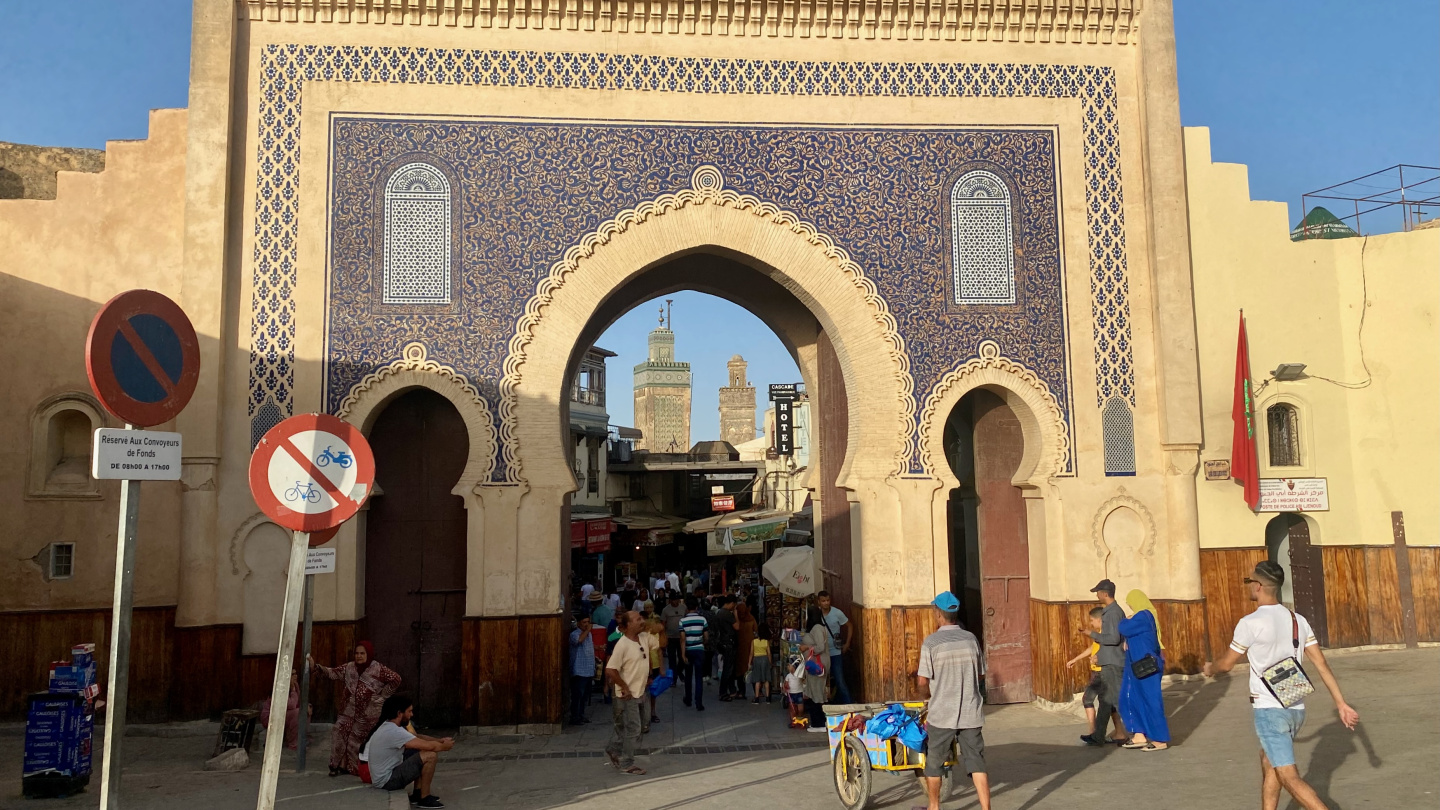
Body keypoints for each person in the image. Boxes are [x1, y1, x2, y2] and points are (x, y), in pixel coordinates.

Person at [1205, 561, 1359, 810]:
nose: (1248, 586)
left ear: (1257, 586)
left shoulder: (1249, 623)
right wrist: (1341, 704)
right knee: (1269, 761)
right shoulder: (1297, 620)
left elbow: (1226, 665)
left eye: (1248, 582)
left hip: (1268, 710)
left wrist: (1210, 669)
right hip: (1295, 708)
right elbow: (1321, 664)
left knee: (1288, 776)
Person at [917, 591, 990, 810]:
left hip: (942, 714)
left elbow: (922, 681)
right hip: (970, 712)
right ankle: (986, 808)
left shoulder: (931, 643)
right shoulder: (970, 639)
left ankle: (934, 806)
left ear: (938, 614)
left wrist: (926, 696)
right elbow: (981, 674)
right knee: (976, 761)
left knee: (934, 762)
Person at [309, 641, 402, 776]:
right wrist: (315, 667)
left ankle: (353, 768)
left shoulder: (378, 669)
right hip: (348, 709)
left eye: (362, 653)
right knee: (338, 731)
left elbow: (396, 679)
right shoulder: (349, 668)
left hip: (368, 713)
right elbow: (332, 673)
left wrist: (382, 696)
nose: (359, 656)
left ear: (368, 654)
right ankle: (336, 766)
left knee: (354, 739)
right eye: (357, 653)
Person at [360, 694, 453, 808]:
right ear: (399, 713)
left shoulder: (389, 726)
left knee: (417, 752)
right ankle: (425, 798)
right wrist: (444, 747)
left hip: (384, 777)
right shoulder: (394, 731)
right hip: (387, 782)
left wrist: (440, 741)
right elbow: (429, 746)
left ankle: (418, 794)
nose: (411, 715)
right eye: (409, 711)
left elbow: (417, 738)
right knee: (430, 755)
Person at [1118, 589, 1170, 750]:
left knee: (1150, 701)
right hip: (1136, 664)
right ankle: (1139, 734)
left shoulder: (1144, 615)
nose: (1131, 607)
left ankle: (1159, 739)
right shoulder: (1142, 616)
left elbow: (1124, 628)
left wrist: (1125, 621)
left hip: (1146, 665)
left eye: (1130, 604)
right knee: (1131, 698)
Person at [1068, 606, 1125, 745]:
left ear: (1100, 620)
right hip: (1100, 671)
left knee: (1093, 700)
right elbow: (1093, 648)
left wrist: (1098, 659)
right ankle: (1116, 733)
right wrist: (1076, 659)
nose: (1091, 624)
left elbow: (1112, 651)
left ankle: (1096, 733)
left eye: (1092, 620)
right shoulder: (1102, 634)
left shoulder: (1108, 634)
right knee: (1108, 704)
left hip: (1103, 672)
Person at [604, 611, 650, 776]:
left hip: (640, 691)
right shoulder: (622, 644)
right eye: (638, 619)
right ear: (628, 624)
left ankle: (614, 748)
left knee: (640, 724)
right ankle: (627, 762)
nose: (642, 621)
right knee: (634, 728)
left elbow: (661, 635)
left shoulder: (643, 637)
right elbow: (610, 669)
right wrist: (623, 686)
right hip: (627, 694)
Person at [1082, 578, 1125, 748]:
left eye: (1098, 592)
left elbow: (1113, 639)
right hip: (1109, 661)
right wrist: (1099, 656)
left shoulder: (1112, 613)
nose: (1097, 595)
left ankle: (1138, 732)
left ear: (1105, 594)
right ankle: (1098, 735)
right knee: (1106, 700)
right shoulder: (1111, 611)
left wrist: (1092, 634)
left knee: (1116, 700)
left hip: (1113, 664)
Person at [816, 591, 854, 704]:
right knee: (822, 681)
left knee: (840, 680)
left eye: (827, 600)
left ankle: (849, 705)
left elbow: (850, 625)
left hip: (835, 652)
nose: (826, 603)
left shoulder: (837, 613)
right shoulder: (816, 614)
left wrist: (847, 643)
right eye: (823, 601)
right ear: (819, 602)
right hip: (822, 653)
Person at [259, 667, 309, 750]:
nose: (295, 676)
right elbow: (292, 704)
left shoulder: (295, 685)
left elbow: (298, 702)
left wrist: (307, 706)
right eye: (293, 674)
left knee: (306, 711)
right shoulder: (280, 687)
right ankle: (293, 744)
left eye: (296, 674)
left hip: (283, 714)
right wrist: (293, 690)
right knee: (297, 713)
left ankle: (301, 738)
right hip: (270, 717)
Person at [798, 606, 831, 731]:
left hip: (817, 665)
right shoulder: (818, 628)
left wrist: (806, 647)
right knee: (816, 691)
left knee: (817, 692)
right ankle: (820, 721)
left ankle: (818, 724)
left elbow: (820, 647)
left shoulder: (817, 628)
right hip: (816, 664)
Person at [679, 596, 709, 710]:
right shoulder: (702, 620)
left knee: (688, 676)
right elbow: (706, 637)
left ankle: (688, 699)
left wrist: (682, 654)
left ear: (687, 607)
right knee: (698, 677)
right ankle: (699, 703)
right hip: (699, 650)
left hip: (688, 651)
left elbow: (682, 639)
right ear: (697, 607)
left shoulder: (682, 621)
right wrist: (703, 643)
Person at [569, 616, 596, 725]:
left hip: (588, 669)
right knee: (577, 695)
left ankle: (581, 715)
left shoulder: (588, 635)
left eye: (588, 622)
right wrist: (588, 630)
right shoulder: (575, 634)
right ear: (579, 623)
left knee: (585, 695)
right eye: (584, 622)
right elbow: (579, 641)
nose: (586, 624)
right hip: (579, 670)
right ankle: (575, 717)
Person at [641, 615, 667, 729]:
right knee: (644, 692)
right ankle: (644, 716)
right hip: (646, 668)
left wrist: (661, 668)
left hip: (655, 667)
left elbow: (661, 651)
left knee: (653, 692)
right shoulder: (643, 637)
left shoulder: (656, 635)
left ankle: (652, 712)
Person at [714, 595, 741, 700]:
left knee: (728, 668)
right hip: (728, 643)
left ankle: (732, 690)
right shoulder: (727, 614)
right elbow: (737, 626)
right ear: (732, 603)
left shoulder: (719, 612)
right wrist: (736, 615)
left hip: (722, 643)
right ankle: (723, 692)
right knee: (727, 669)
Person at [660, 592, 688, 686]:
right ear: (670, 600)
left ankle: (679, 671)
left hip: (681, 637)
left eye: (677, 600)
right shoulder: (665, 610)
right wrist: (663, 637)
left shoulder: (683, 607)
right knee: (671, 659)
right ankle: (674, 679)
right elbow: (663, 624)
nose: (676, 602)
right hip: (670, 637)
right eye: (674, 600)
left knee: (682, 658)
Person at [736, 601, 758, 696]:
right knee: (751, 668)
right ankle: (757, 691)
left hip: (740, 648)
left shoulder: (737, 621)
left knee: (740, 670)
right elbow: (756, 630)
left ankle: (741, 691)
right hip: (750, 647)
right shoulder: (751, 618)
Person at [748, 622, 773, 703]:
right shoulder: (766, 642)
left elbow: (751, 653)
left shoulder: (754, 641)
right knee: (766, 680)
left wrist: (749, 663)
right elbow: (769, 653)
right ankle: (768, 698)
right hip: (765, 659)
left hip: (756, 660)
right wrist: (770, 662)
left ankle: (756, 698)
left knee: (757, 680)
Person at [783, 656, 807, 727]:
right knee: (792, 708)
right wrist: (786, 686)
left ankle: (799, 719)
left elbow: (804, 682)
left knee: (801, 709)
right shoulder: (788, 676)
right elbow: (785, 683)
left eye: (789, 665)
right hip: (791, 694)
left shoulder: (799, 675)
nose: (787, 667)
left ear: (794, 666)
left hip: (799, 693)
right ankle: (793, 721)